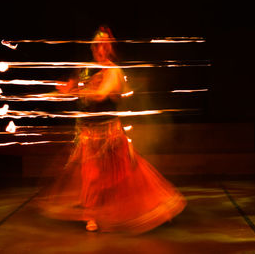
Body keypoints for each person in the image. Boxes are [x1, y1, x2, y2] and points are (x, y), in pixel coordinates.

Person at [37, 26, 186, 234]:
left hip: (110, 132)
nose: (101, 50)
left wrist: (79, 89)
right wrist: (51, 94)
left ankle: (149, 207)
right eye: (97, 46)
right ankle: (91, 215)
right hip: (89, 133)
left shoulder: (114, 71)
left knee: (121, 174)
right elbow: (70, 92)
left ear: (110, 49)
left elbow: (101, 95)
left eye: (105, 46)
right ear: (93, 48)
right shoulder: (84, 70)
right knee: (91, 175)